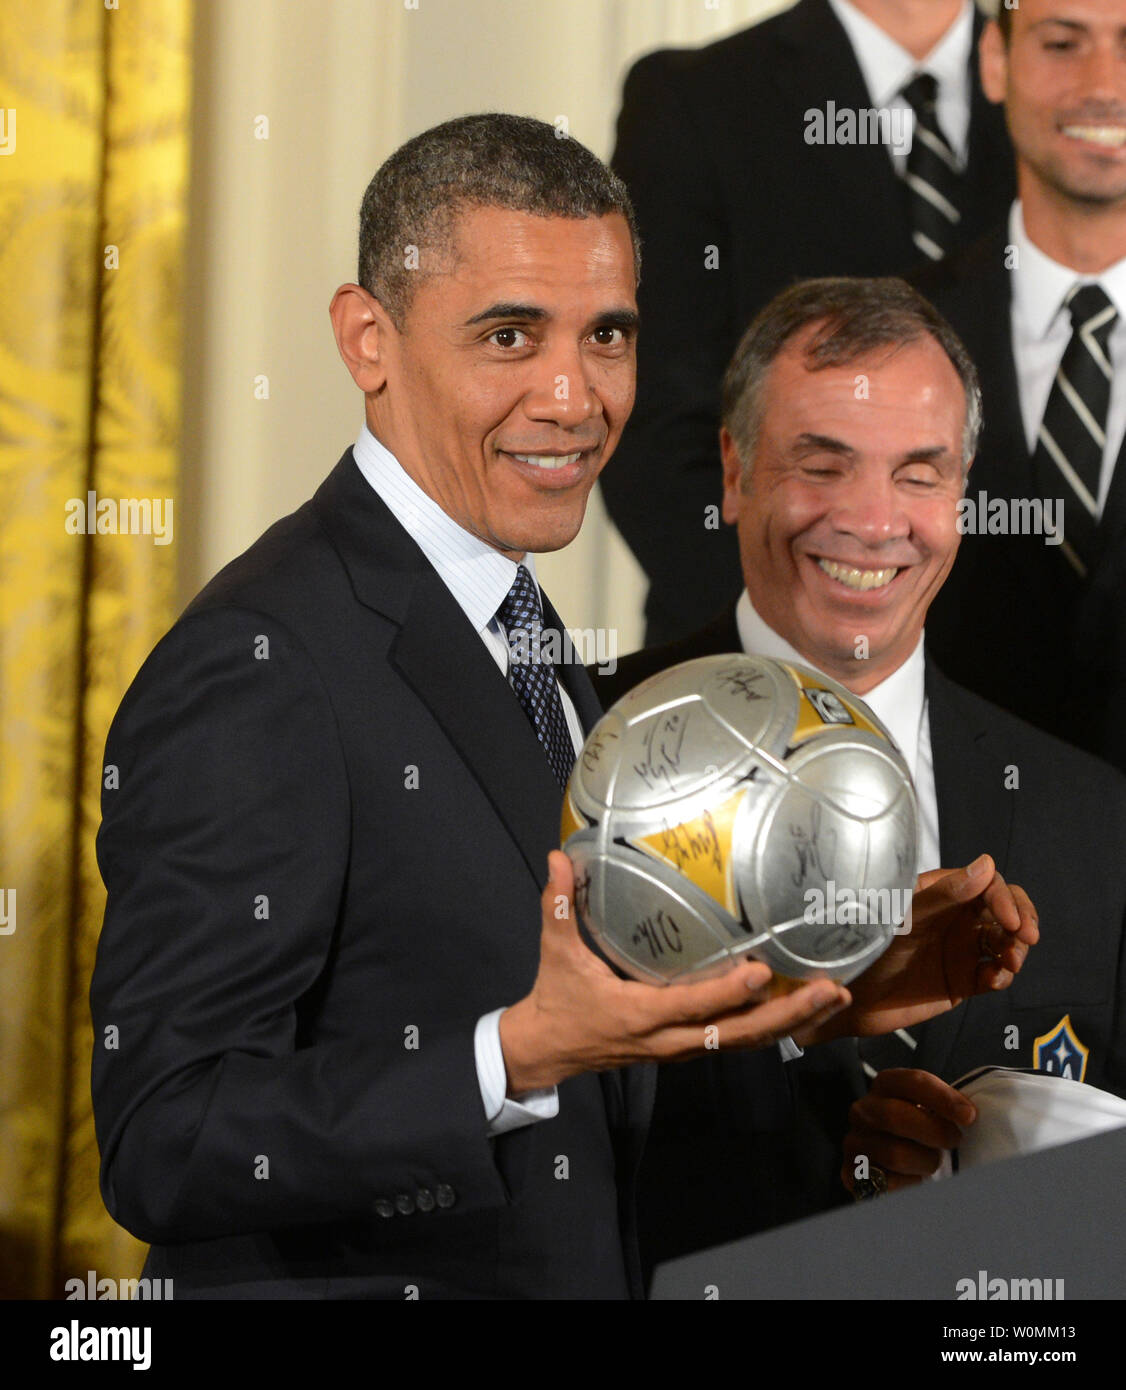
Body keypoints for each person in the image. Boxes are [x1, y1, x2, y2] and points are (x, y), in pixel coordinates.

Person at [90, 118, 1035, 1301]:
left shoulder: (517, 622)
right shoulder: (260, 659)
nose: (571, 395)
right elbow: (165, 1138)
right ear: (366, 339)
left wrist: (820, 992)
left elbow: (589, 1035)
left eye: (607, 336)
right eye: (507, 335)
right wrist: (509, 1053)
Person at [595, 276, 1125, 1276]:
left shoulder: (1089, 818)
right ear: (733, 470)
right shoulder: (584, 748)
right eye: (822, 465)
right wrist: (801, 1038)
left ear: (960, 498)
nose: (873, 521)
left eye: (918, 474)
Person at [605, 0, 1014, 646]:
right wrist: (821, 631)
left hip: (1025, 691)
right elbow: (651, 424)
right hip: (751, 669)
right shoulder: (696, 97)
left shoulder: (1071, 85)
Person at [919, 0, 1126, 772]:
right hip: (951, 860)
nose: (1104, 84)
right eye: (1063, 42)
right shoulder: (900, 329)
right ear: (996, 63)